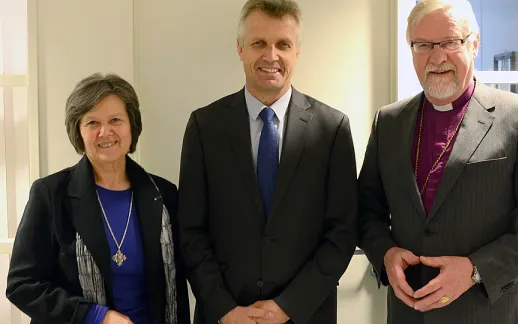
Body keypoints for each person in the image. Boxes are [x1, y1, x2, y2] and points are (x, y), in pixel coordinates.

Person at [357, 0, 518, 323]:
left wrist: (476, 270)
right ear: (411, 49)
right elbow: (365, 211)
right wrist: (384, 253)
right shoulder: (389, 122)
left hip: (486, 312)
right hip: (407, 314)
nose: (437, 56)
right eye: (423, 45)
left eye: (450, 42)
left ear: (474, 43)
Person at [176, 0, 357, 323]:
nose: (271, 56)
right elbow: (190, 231)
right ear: (240, 48)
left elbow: (341, 234)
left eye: (283, 44)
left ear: (297, 52)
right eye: (259, 43)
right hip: (225, 317)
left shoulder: (332, 129)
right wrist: (224, 309)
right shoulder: (205, 127)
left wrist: (288, 306)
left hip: (305, 314)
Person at [6, 73, 191, 324]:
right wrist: (95, 316)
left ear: (132, 126)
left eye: (116, 120)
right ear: (78, 132)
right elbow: (22, 286)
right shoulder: (50, 194)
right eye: (92, 123)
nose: (106, 132)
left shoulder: (164, 194)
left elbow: (187, 275)